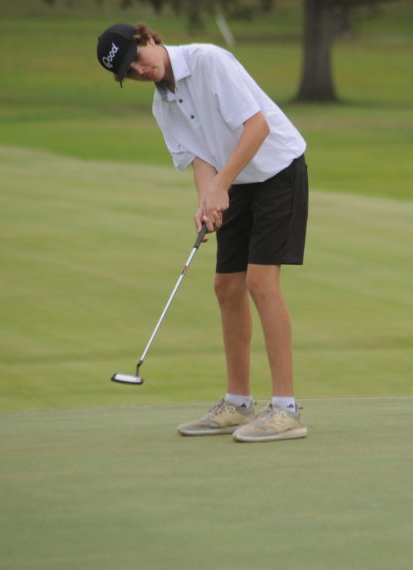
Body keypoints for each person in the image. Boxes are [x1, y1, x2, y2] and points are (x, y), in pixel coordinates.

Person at [96, 22, 309, 443]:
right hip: (235, 181)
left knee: (260, 282)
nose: (140, 71)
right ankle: (238, 403)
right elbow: (200, 160)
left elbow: (257, 127)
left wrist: (220, 186)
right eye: (129, 73)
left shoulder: (208, 61)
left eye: (138, 59)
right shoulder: (163, 107)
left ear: (148, 38)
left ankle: (286, 410)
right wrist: (206, 202)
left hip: (278, 170)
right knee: (225, 286)